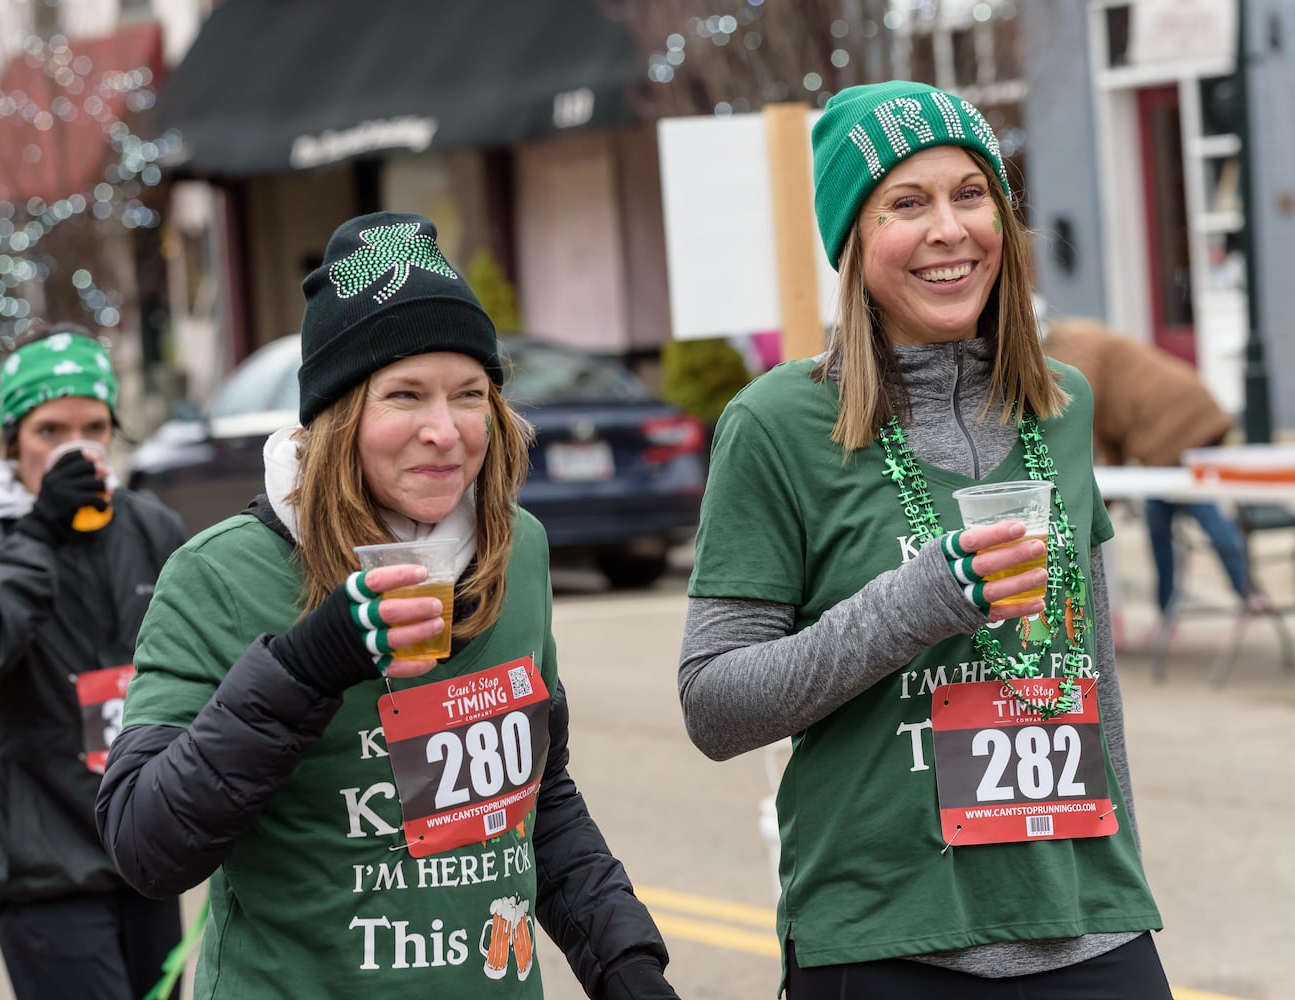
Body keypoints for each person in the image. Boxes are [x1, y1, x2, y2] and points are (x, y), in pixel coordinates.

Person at [96, 212, 680, 999]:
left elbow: (536, 798)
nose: (444, 431)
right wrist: (307, 665)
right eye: (404, 395)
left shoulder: (521, 551)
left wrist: (624, 961)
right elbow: (145, 845)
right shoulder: (220, 575)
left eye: (468, 394)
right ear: (338, 419)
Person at [678, 81, 1170, 998]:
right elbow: (713, 704)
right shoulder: (778, 422)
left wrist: (1121, 889)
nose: (949, 229)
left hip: (1086, 929)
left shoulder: (1059, 405)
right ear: (854, 241)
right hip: (886, 941)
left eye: (970, 194)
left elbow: (1093, 675)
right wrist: (921, 600)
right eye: (907, 203)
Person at [0, 323, 188, 1000]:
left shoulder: (150, 527)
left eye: (94, 428)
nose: (77, 449)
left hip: (144, 852)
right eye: (50, 431)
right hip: (42, 867)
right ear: (13, 440)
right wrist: (37, 531)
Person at [1039, 314, 1261, 624]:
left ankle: (1243, 592)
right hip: (1180, 410)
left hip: (1175, 419)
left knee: (1197, 507)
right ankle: (1175, 611)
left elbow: (1074, 406)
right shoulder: (1080, 344)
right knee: (1161, 520)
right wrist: (1099, 508)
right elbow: (1111, 443)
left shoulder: (1071, 344)